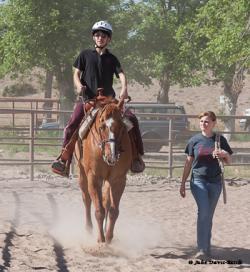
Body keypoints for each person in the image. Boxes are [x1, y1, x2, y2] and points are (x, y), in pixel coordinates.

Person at [51, 20, 144, 177]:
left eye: (104, 36)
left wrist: (124, 88)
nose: (100, 38)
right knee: (72, 125)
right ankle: (63, 159)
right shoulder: (85, 55)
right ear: (94, 37)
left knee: (132, 120)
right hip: (89, 100)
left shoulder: (112, 58)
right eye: (98, 35)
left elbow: (121, 74)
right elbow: (76, 74)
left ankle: (136, 157)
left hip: (108, 101)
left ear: (109, 39)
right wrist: (79, 85)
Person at [179, 111, 233, 259]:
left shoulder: (220, 139)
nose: (204, 124)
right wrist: (183, 183)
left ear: (214, 123)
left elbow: (229, 161)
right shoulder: (194, 140)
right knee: (203, 212)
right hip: (198, 181)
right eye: (202, 121)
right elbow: (188, 162)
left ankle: (206, 247)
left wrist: (223, 154)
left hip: (215, 182)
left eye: (207, 121)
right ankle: (202, 249)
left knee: (208, 215)